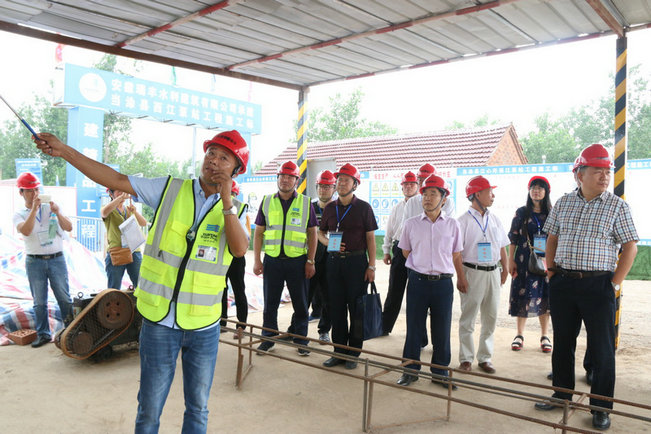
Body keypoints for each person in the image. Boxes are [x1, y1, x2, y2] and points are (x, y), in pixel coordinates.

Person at [33, 130, 250, 434]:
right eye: (210, 153)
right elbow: (115, 178)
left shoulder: (236, 210)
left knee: (198, 408)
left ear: (236, 170)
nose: (213, 161)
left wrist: (226, 202)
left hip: (203, 327)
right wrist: (63, 150)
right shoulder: (169, 189)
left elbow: (239, 249)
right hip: (159, 322)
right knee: (149, 409)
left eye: (224, 158)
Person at [534, 144, 638, 431]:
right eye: (597, 171)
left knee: (602, 349)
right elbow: (552, 238)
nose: (605, 176)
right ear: (579, 174)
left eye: (607, 171)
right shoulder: (564, 203)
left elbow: (630, 246)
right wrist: (551, 272)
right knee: (563, 343)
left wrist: (614, 283)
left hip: (598, 285)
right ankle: (561, 394)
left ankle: (601, 408)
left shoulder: (617, 206)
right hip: (564, 283)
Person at [395, 175, 463, 389]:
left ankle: (440, 372)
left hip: (443, 284)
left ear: (444, 199)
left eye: (433, 193)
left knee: (442, 328)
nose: (427, 197)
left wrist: (455, 275)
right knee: (414, 327)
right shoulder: (411, 224)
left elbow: (456, 253)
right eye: (425, 193)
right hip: (418, 282)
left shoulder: (453, 225)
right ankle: (410, 371)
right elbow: (405, 251)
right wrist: (422, 265)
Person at [253, 160, 318, 356]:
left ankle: (301, 340)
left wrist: (310, 260)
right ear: (277, 178)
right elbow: (258, 232)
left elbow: (312, 234)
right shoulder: (267, 201)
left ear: (296, 181)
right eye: (282, 176)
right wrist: (257, 260)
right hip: (272, 260)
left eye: (290, 177)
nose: (285, 180)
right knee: (270, 303)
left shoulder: (305, 203)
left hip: (297, 261)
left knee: (300, 303)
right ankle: (268, 338)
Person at [318, 163, 377, 370]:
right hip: (334, 263)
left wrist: (371, 266)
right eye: (339, 180)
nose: (341, 183)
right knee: (336, 308)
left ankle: (354, 353)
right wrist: (327, 243)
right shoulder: (330, 208)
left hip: (356, 263)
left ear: (355, 184)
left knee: (356, 309)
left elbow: (370, 239)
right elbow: (320, 233)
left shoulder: (364, 208)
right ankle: (339, 351)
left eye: (346, 180)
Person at [455, 175, 509, 374]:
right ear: (477, 194)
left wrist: (505, 268)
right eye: (489, 192)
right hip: (472, 272)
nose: (493, 196)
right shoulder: (462, 222)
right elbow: (456, 253)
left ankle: (485, 358)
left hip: (493, 272)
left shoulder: (494, 219)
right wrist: (461, 277)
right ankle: (466, 359)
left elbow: (502, 246)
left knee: (491, 317)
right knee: (468, 318)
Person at [13, 172, 73, 348]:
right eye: (29, 190)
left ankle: (72, 330)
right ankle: (43, 334)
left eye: (36, 189)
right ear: (21, 192)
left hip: (57, 259)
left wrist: (57, 212)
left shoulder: (52, 207)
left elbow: (69, 227)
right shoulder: (19, 213)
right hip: (35, 261)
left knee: (64, 297)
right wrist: (34, 210)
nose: (34, 194)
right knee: (39, 301)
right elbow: (26, 230)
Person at [507, 176, 552, 352]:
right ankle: (519, 334)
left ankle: (545, 335)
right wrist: (510, 260)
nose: (536, 191)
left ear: (546, 192)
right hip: (523, 261)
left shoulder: (552, 212)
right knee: (523, 294)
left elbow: (556, 238)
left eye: (540, 188)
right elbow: (513, 238)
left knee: (545, 296)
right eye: (533, 188)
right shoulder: (521, 212)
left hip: (545, 261)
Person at [381, 170, 418, 336]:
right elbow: (389, 230)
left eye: (412, 184)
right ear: (402, 187)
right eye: (406, 184)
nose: (408, 187)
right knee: (394, 290)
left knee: (416, 293)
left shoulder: (422, 206)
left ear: (417, 186)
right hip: (398, 250)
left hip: (416, 251)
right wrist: (386, 251)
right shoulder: (397, 207)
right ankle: (384, 327)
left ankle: (416, 334)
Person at [101, 188, 148, 289]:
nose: (122, 194)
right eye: (119, 191)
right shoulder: (108, 209)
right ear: (111, 194)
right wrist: (121, 197)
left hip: (134, 250)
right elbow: (104, 213)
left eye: (123, 191)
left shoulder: (129, 209)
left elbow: (143, 223)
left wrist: (135, 212)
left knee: (140, 286)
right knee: (114, 288)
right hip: (117, 251)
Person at [221, 181, 249, 339]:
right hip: (220, 255)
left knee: (238, 290)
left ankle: (241, 325)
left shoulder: (241, 208)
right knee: (221, 289)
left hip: (236, 256)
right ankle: (221, 322)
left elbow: (245, 235)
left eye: (232, 194)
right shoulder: (215, 206)